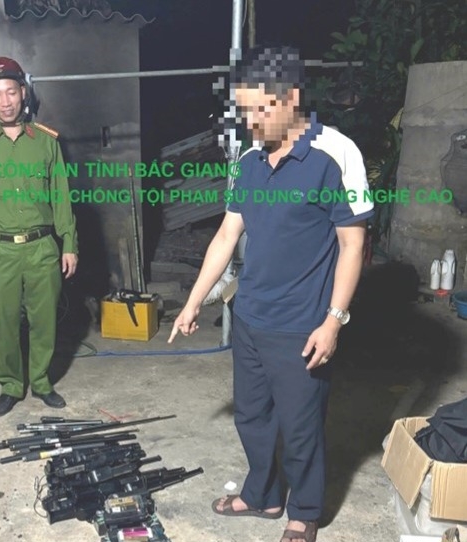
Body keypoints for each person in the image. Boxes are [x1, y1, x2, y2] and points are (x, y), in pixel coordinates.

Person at [168, 46, 374, 542]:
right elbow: (226, 235)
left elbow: (353, 245)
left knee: (301, 426)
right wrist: (194, 302)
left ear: (292, 98)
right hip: (250, 315)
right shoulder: (249, 160)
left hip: (303, 324)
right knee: (252, 416)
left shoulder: (336, 154)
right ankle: (262, 494)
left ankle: (304, 512)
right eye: (244, 111)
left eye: (261, 110)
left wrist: (334, 320)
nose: (251, 122)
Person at [0, 56, 78, 417]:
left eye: (11, 92)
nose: (6, 101)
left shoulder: (46, 142)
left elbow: (61, 197)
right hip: (0, 250)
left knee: (45, 321)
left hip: (42, 247)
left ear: (23, 92)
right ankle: (11, 385)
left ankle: (41, 382)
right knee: (6, 323)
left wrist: (69, 244)